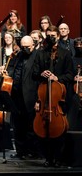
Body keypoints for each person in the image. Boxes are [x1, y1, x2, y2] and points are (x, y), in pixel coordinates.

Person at [33, 25, 74, 167]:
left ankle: (58, 157)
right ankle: (47, 157)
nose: (51, 37)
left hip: (59, 97)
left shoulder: (65, 53)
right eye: (48, 35)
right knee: (43, 131)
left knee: (60, 129)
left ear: (57, 36)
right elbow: (34, 73)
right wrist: (41, 74)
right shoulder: (41, 53)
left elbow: (70, 74)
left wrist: (58, 78)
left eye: (53, 35)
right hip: (44, 97)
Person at [5, 35, 41, 160]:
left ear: (33, 45)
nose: (25, 49)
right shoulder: (18, 55)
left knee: (31, 126)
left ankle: (33, 151)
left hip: (30, 95)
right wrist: (6, 73)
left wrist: (38, 99)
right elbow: (12, 69)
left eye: (27, 47)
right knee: (18, 125)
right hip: (16, 95)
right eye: (23, 46)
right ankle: (21, 151)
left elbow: (39, 79)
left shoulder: (38, 56)